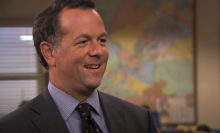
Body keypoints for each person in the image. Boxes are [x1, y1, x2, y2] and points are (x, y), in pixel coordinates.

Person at [0, 0, 158, 133]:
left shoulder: (140, 121)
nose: (98, 51)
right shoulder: (12, 128)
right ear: (49, 53)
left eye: (102, 40)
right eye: (83, 42)